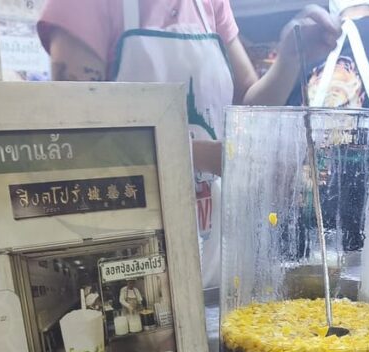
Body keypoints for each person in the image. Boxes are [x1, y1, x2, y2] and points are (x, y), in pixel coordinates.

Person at [38, 1, 340, 289]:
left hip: (207, 249)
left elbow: (247, 111)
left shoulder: (210, 3)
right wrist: (203, 157)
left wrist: (288, 60)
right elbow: (74, 142)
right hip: (126, 251)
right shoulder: (82, 4)